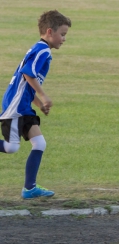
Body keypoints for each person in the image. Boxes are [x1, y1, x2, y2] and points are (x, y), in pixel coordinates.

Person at [0, 10, 71, 199]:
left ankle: (29, 188)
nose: (64, 39)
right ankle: (29, 188)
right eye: (62, 34)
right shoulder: (43, 51)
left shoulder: (40, 49)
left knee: (39, 143)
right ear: (50, 31)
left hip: (23, 104)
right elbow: (27, 74)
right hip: (16, 105)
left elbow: (26, 85)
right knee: (11, 147)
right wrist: (44, 96)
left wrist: (38, 103)